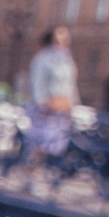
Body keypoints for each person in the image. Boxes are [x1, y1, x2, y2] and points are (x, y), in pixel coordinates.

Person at [26, 26, 78, 176]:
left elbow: (71, 85)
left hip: (61, 108)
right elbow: (38, 83)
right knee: (38, 145)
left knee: (55, 144)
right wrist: (42, 102)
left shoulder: (67, 60)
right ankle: (31, 175)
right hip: (46, 108)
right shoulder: (43, 58)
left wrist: (71, 104)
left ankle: (44, 174)